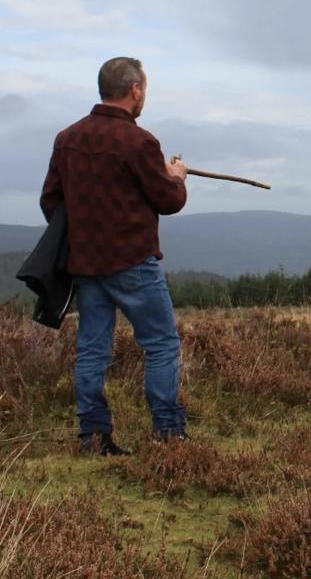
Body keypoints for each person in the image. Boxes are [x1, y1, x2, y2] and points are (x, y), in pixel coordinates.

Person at [40, 57, 190, 455]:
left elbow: (51, 200)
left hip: (86, 265)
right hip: (133, 262)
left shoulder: (67, 138)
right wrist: (176, 177)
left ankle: (93, 436)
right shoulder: (139, 142)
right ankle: (169, 435)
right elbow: (168, 200)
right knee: (162, 345)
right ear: (135, 90)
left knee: (92, 349)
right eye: (145, 89)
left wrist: (85, 238)